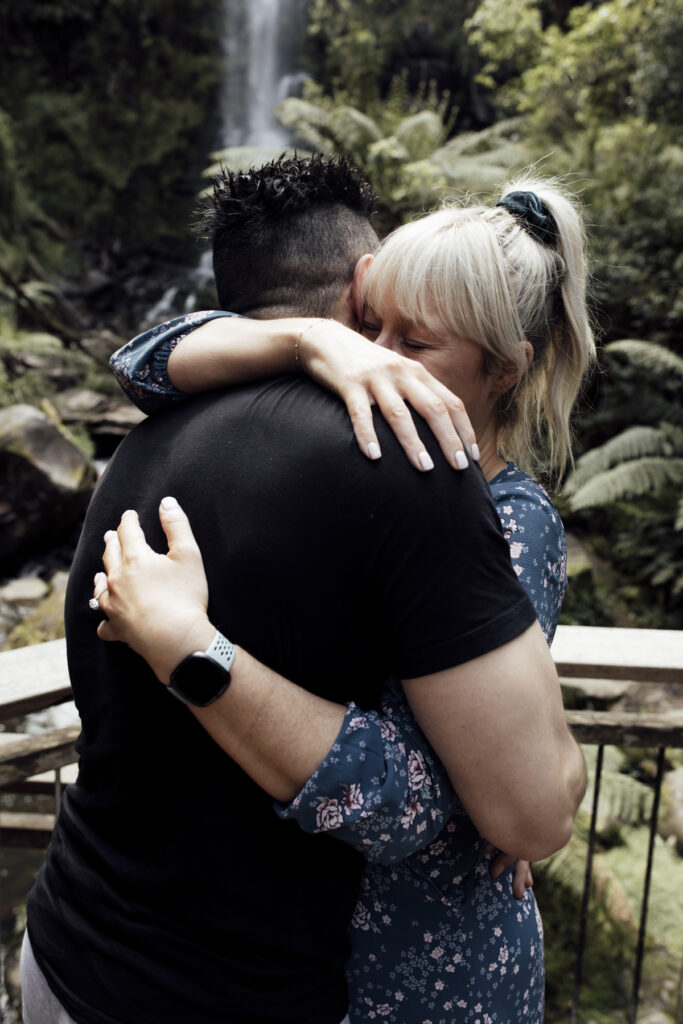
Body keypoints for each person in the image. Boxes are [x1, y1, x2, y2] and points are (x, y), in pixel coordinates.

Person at [23, 156, 585, 1024]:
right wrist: (307, 340)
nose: (377, 356)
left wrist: (192, 648)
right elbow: (140, 359)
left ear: (505, 369)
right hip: (279, 963)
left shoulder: (498, 513)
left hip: (403, 965)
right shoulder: (367, 447)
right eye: (373, 325)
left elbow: (479, 799)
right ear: (358, 291)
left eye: (414, 339)